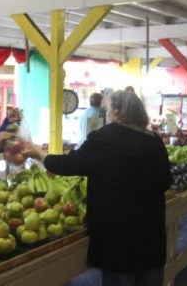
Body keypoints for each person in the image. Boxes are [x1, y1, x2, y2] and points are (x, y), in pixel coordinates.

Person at [23, 90, 172, 286]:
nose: (106, 114)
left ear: (117, 111)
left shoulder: (106, 137)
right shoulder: (154, 140)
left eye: (108, 110)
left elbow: (71, 165)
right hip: (150, 232)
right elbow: (166, 182)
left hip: (117, 235)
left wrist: (40, 154)